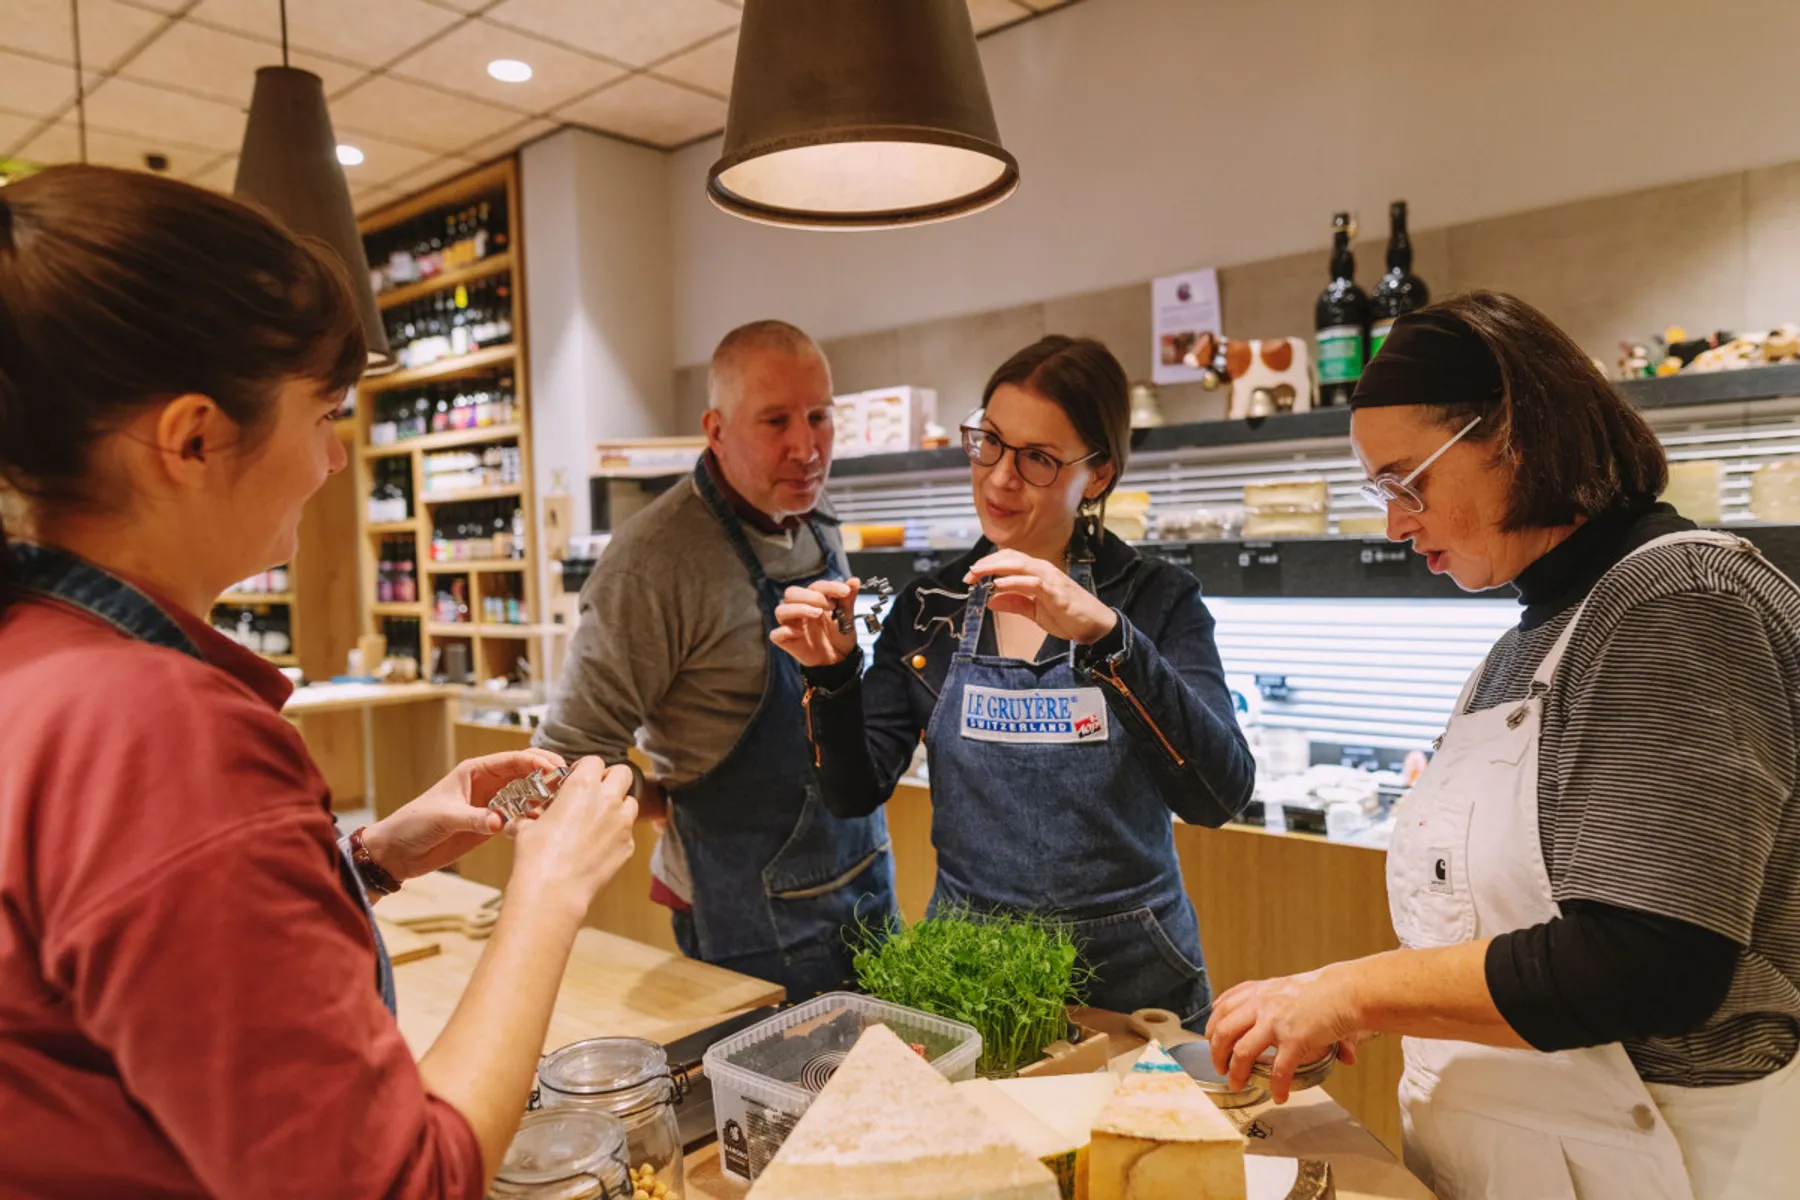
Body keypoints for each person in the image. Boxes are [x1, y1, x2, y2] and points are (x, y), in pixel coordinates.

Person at [0, 166, 642, 1199]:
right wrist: (550, 890)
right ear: (195, 438)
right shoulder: (158, 730)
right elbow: (395, 1183)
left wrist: (369, 860)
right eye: (324, 414)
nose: (335, 459)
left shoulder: (35, 657)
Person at [1205, 293, 1800, 1199]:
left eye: (1409, 482)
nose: (1396, 524)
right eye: (1380, 492)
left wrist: (1352, 991)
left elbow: (1650, 960)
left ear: (1515, 435)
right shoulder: (1528, 638)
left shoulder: (1681, 603)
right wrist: (1335, 985)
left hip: (1668, 1165)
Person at [771, 335, 1255, 1025]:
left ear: (1099, 474)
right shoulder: (929, 611)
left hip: (1134, 983)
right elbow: (853, 791)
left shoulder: (1156, 600)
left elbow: (1219, 795)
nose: (999, 478)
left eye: (1038, 460)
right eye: (989, 442)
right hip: (969, 982)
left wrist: (1108, 637)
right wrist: (830, 675)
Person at [536, 320, 898, 997]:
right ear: (716, 429)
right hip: (747, 919)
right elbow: (569, 752)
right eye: (774, 421)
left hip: (864, 880)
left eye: (819, 416)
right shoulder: (654, 564)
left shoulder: (817, 519)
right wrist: (659, 803)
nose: (806, 446)